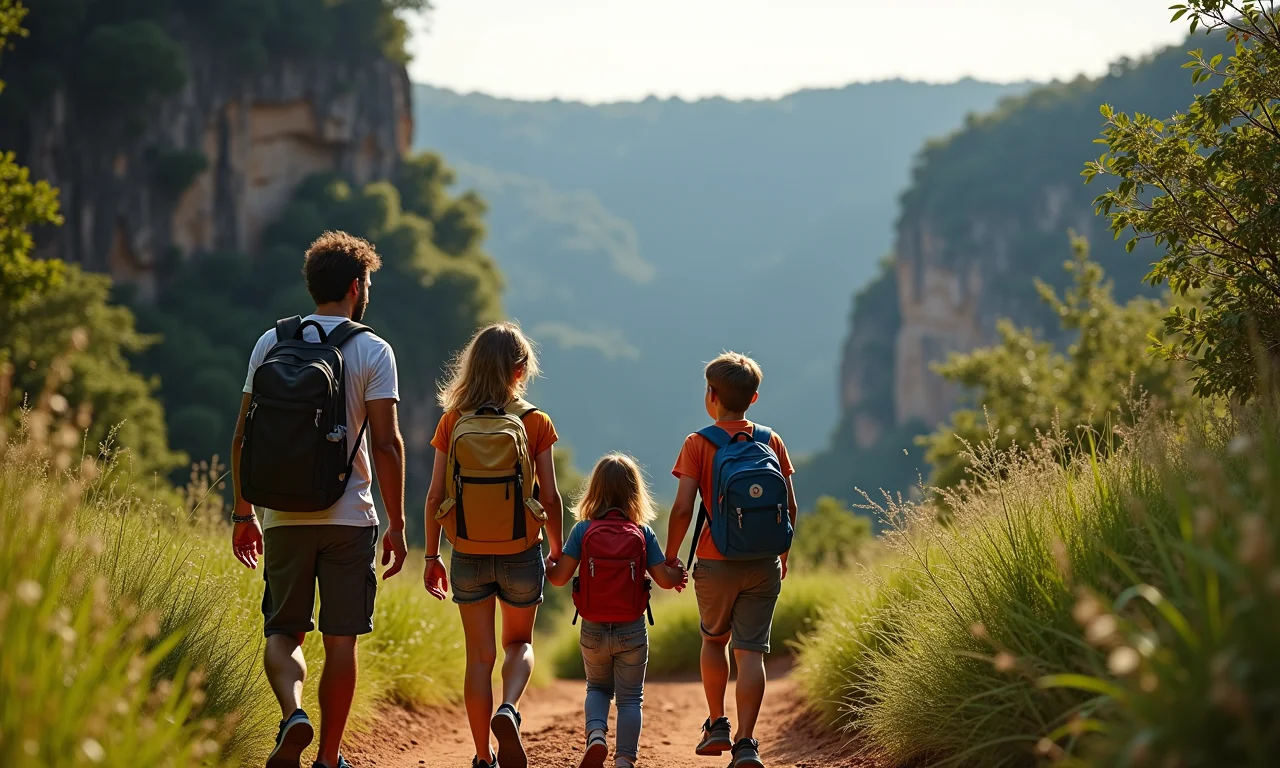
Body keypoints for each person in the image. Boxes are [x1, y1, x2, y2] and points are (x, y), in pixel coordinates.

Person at [230, 231, 408, 768]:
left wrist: (244, 513)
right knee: (341, 642)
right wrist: (397, 525)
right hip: (349, 517)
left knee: (283, 632)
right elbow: (387, 444)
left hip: (282, 515)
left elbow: (242, 436)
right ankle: (329, 758)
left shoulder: (271, 341)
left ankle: (293, 714)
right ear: (356, 287)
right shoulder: (373, 350)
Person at [422, 322, 565, 768]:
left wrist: (432, 555)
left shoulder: (452, 420)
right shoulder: (535, 420)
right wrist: (557, 550)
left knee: (479, 658)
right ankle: (509, 708)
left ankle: (483, 755)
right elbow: (550, 497)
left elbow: (434, 496)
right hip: (521, 550)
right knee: (518, 643)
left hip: (467, 551)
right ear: (519, 370)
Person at [663, 352, 798, 768]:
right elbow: (790, 507)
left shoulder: (698, 443)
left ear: (712, 394)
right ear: (753, 398)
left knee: (713, 640)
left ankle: (717, 723)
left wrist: (670, 557)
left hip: (715, 560)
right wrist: (782, 555)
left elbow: (683, 508)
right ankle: (746, 743)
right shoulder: (771, 440)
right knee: (751, 653)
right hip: (763, 561)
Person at [546, 453, 689, 768]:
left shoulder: (583, 530)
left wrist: (548, 565)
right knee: (630, 698)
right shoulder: (643, 532)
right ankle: (624, 759)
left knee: (597, 687)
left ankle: (596, 734)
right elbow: (665, 580)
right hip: (632, 629)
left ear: (594, 490)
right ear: (635, 492)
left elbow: (558, 579)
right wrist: (678, 573)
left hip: (593, 628)